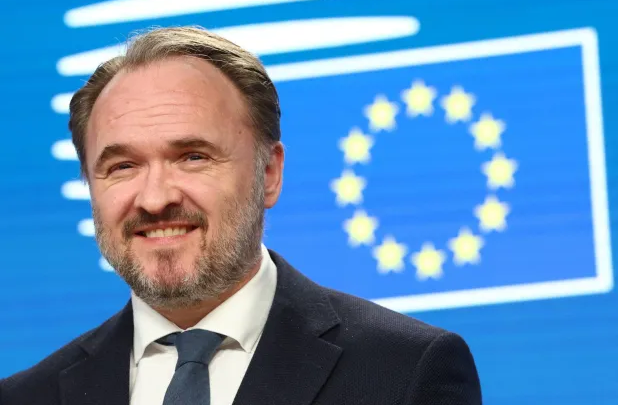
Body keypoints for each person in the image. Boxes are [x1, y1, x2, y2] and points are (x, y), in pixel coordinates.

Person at [0, 26, 482, 405]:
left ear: (268, 174)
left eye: (193, 157)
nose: (154, 198)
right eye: (122, 166)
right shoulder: (27, 396)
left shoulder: (405, 371)